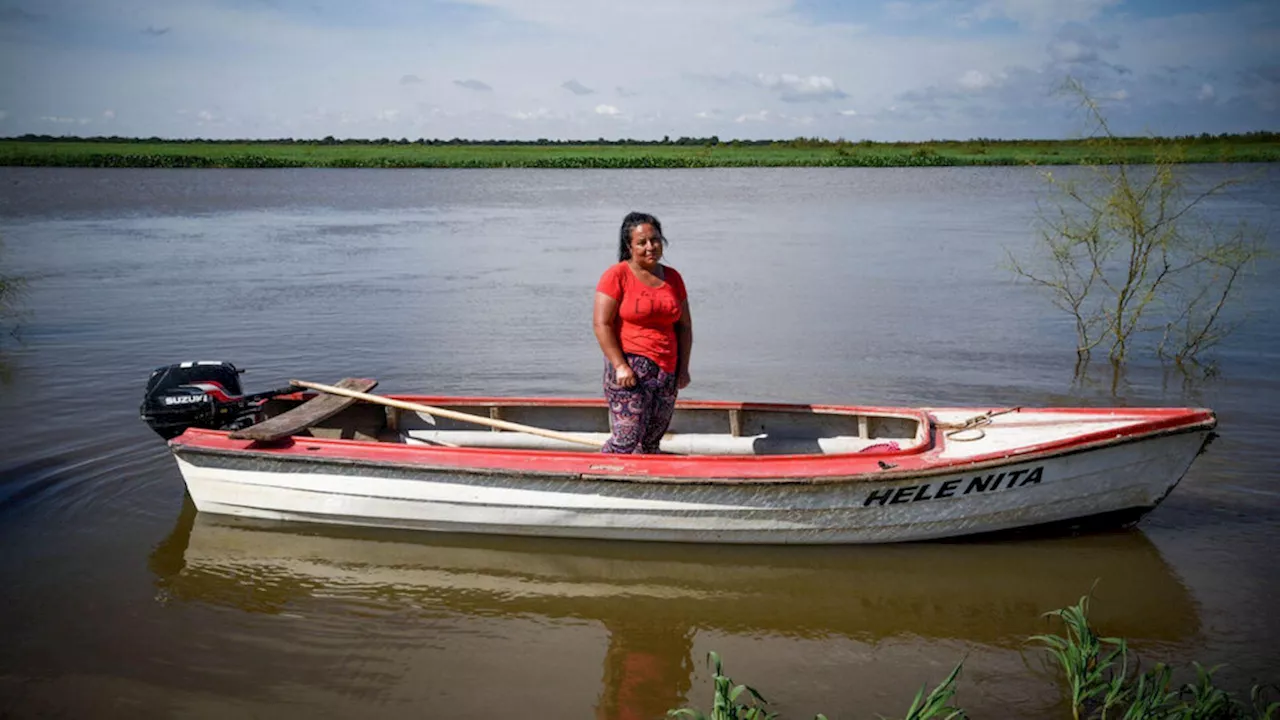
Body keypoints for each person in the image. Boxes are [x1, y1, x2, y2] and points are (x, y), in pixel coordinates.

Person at [592, 212, 692, 454]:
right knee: (626, 440)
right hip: (631, 369)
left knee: (650, 442)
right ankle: (604, 476)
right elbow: (601, 324)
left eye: (655, 240)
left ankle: (647, 487)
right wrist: (620, 365)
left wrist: (683, 368)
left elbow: (684, 326)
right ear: (630, 246)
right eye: (642, 242)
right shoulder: (617, 275)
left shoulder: (673, 277)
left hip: (667, 370)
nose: (650, 247)